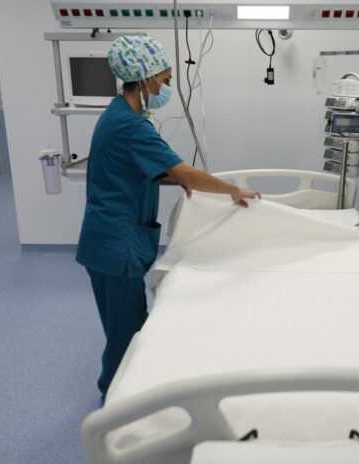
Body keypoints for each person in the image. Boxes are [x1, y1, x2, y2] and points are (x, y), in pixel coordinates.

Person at [76, 36, 260, 401]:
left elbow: (145, 169)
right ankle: (114, 404)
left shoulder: (120, 115)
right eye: (164, 79)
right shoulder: (131, 125)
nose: (166, 87)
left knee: (127, 326)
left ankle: (125, 393)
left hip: (112, 238)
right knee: (125, 334)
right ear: (145, 78)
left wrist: (177, 179)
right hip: (115, 245)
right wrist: (230, 190)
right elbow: (180, 169)